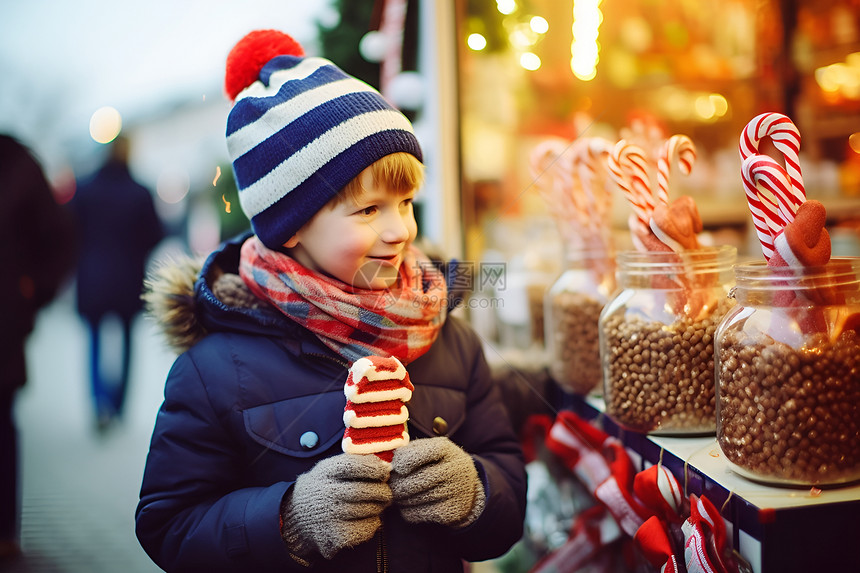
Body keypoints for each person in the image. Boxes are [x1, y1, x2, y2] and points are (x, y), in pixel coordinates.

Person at [135, 29, 526, 572]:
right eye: (368, 211)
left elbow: (508, 483)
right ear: (291, 227)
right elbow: (170, 526)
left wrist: (476, 495)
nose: (401, 230)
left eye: (406, 202)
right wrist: (287, 520)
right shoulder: (215, 367)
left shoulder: (448, 336)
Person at [0, 135, 76, 559]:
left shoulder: (14, 163)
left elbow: (58, 237)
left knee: (0, 421)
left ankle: (4, 529)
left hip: (3, 322)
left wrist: (31, 292)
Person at [69, 135, 164, 431]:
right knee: (126, 342)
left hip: (92, 276)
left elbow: (69, 231)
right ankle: (119, 405)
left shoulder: (84, 189)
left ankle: (100, 403)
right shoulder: (139, 192)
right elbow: (155, 234)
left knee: (94, 340)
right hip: (128, 277)